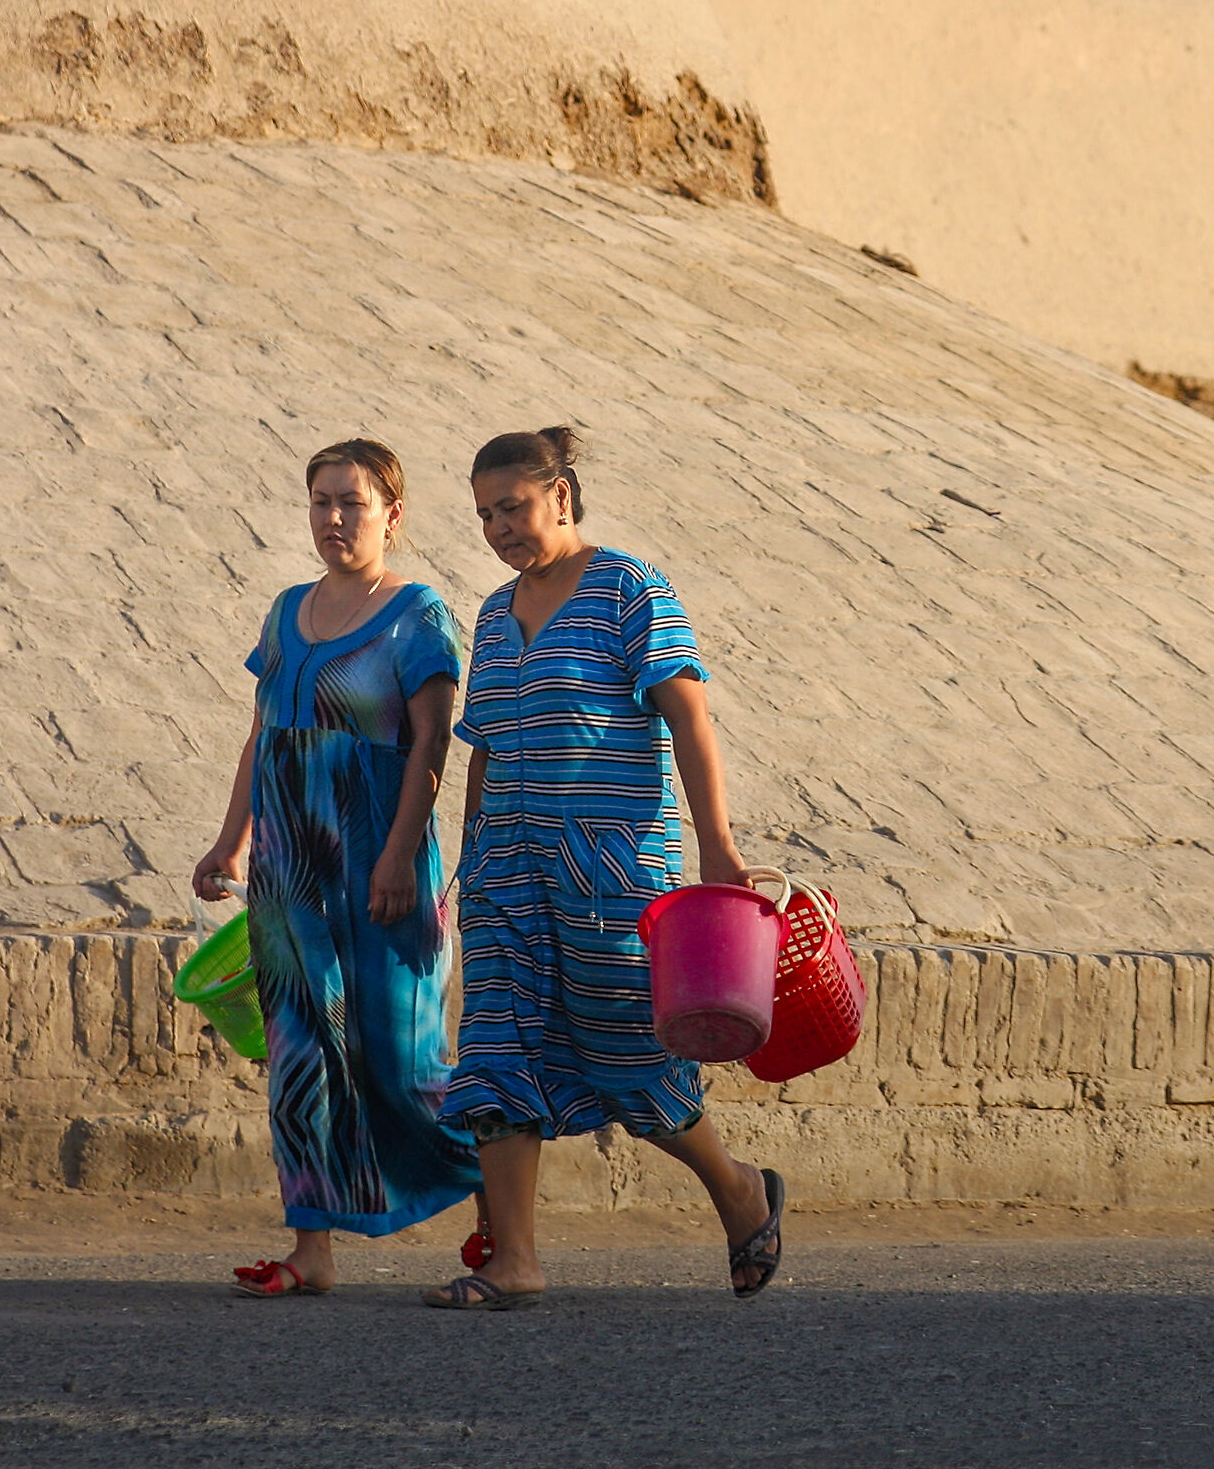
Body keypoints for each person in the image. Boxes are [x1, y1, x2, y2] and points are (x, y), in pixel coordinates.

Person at [423, 426, 785, 1311]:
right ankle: (515, 1261)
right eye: (484, 514)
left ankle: (740, 1191)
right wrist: (467, 865)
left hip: (612, 868)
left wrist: (719, 850)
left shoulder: (630, 588)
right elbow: (482, 747)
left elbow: (689, 720)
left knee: (629, 1055)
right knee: (498, 1048)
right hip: (508, 867)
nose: (500, 527)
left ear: (562, 494)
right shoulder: (494, 614)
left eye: (513, 506)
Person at [193, 437, 484, 1297]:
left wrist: (399, 856)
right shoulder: (285, 611)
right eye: (320, 501)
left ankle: (499, 1209)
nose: (332, 518)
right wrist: (230, 840)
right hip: (291, 870)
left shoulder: (417, 614)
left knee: (405, 1059)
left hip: (381, 859)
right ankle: (310, 1252)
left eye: (351, 502)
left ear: (392, 515)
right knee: (300, 1054)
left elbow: (431, 742)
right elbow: (263, 734)